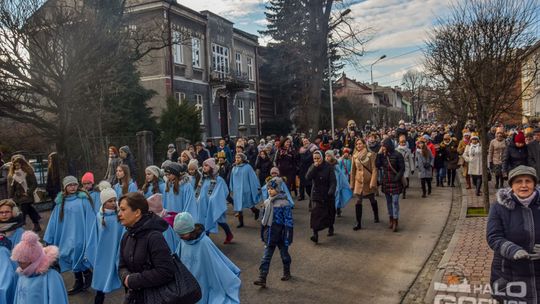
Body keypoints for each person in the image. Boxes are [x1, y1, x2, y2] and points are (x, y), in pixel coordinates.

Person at [487, 165, 540, 303]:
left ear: (534, 184)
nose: (523, 185)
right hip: (509, 273)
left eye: (528, 181)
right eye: (518, 181)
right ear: (511, 185)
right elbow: (493, 236)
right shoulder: (499, 207)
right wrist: (512, 249)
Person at [117, 192, 175, 304]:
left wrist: (134, 280)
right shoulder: (127, 236)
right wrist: (126, 278)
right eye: (119, 210)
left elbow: (166, 271)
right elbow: (121, 265)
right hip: (133, 297)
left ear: (137, 212)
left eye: (123, 210)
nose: (119, 214)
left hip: (155, 298)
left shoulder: (154, 237)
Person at [173, 212, 241, 303]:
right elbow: (178, 258)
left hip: (203, 279)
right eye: (179, 234)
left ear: (191, 230)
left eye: (183, 234)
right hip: (188, 281)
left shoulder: (204, 242)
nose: (180, 237)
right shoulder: (183, 241)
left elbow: (216, 263)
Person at [43, 176, 95, 295]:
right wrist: (49, 237)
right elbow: (54, 221)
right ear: (65, 187)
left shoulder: (84, 200)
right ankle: (81, 278)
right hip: (66, 236)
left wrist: (91, 235)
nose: (72, 187)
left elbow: (90, 218)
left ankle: (84, 276)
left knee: (79, 256)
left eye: (75, 184)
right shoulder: (60, 203)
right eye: (70, 185)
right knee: (69, 256)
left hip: (81, 235)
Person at [86, 187, 124, 304]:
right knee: (101, 282)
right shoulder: (99, 217)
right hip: (104, 255)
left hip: (119, 251)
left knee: (125, 277)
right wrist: (92, 254)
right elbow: (94, 237)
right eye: (110, 201)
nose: (113, 203)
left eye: (114, 200)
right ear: (103, 202)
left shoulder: (120, 215)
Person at [253, 177, 294, 288]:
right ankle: (262, 277)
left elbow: (288, 220)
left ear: (279, 189)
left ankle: (287, 272)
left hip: (281, 234)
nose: (269, 191)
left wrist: (288, 235)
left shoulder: (284, 203)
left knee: (284, 255)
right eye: (268, 189)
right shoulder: (267, 202)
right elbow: (264, 221)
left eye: (272, 189)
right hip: (270, 235)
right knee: (266, 257)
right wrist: (263, 233)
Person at [11, 231, 68, 304]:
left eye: (22, 262)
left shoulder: (51, 276)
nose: (19, 265)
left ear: (32, 261)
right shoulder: (23, 274)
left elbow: (57, 299)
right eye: (18, 262)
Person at [195, 158, 233, 244]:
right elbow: (198, 190)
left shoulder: (218, 179)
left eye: (206, 165)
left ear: (212, 167)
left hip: (215, 205)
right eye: (203, 165)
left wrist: (214, 199)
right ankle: (205, 241)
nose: (204, 167)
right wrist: (196, 199)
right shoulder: (203, 179)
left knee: (220, 221)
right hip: (203, 204)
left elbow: (224, 191)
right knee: (204, 221)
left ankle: (229, 234)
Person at [306, 151, 337, 243]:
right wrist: (314, 168)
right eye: (314, 158)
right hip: (316, 193)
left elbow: (333, 181)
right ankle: (315, 234)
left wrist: (331, 190)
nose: (316, 160)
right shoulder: (313, 166)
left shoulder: (329, 167)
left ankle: (330, 226)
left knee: (330, 212)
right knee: (315, 213)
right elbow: (308, 177)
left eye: (318, 158)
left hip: (327, 193)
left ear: (322, 158)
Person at [376, 138, 405, 232]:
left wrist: (397, 178)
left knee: (395, 202)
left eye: (384, 145)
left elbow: (402, 168)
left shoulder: (398, 155)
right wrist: (379, 154)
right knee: (388, 202)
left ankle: (396, 220)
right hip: (386, 181)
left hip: (395, 182)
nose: (383, 147)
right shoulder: (383, 156)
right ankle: (391, 218)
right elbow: (377, 165)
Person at [350, 138, 379, 230]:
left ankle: (376, 215)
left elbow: (374, 169)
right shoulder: (354, 156)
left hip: (368, 181)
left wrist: (373, 182)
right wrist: (352, 184)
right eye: (357, 144)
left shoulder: (370, 155)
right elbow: (353, 171)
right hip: (359, 181)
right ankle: (358, 223)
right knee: (358, 201)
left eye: (360, 144)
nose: (358, 145)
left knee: (372, 199)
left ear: (364, 144)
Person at [8, 156, 41, 232]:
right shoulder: (13, 174)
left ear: (22, 164)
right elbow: (11, 187)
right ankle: (36, 224)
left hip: (26, 196)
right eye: (15, 165)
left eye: (18, 165)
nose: (16, 167)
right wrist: (10, 197)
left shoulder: (28, 172)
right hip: (17, 196)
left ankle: (20, 227)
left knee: (23, 211)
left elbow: (34, 184)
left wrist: (28, 192)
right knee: (29, 210)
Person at [229, 153, 260, 228]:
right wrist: (231, 187)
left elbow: (253, 177)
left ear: (242, 159)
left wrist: (257, 186)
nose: (237, 159)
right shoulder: (234, 167)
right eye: (236, 157)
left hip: (246, 189)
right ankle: (241, 222)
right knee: (238, 206)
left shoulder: (248, 167)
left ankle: (256, 211)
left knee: (249, 204)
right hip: (237, 190)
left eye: (239, 158)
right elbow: (232, 178)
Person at [325, 150, 353, 218]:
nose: (327, 157)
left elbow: (340, 174)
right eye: (326, 156)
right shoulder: (324, 165)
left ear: (332, 156)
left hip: (336, 184)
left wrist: (345, 184)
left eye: (329, 156)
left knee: (336, 197)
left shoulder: (335, 165)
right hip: (327, 184)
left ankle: (337, 210)